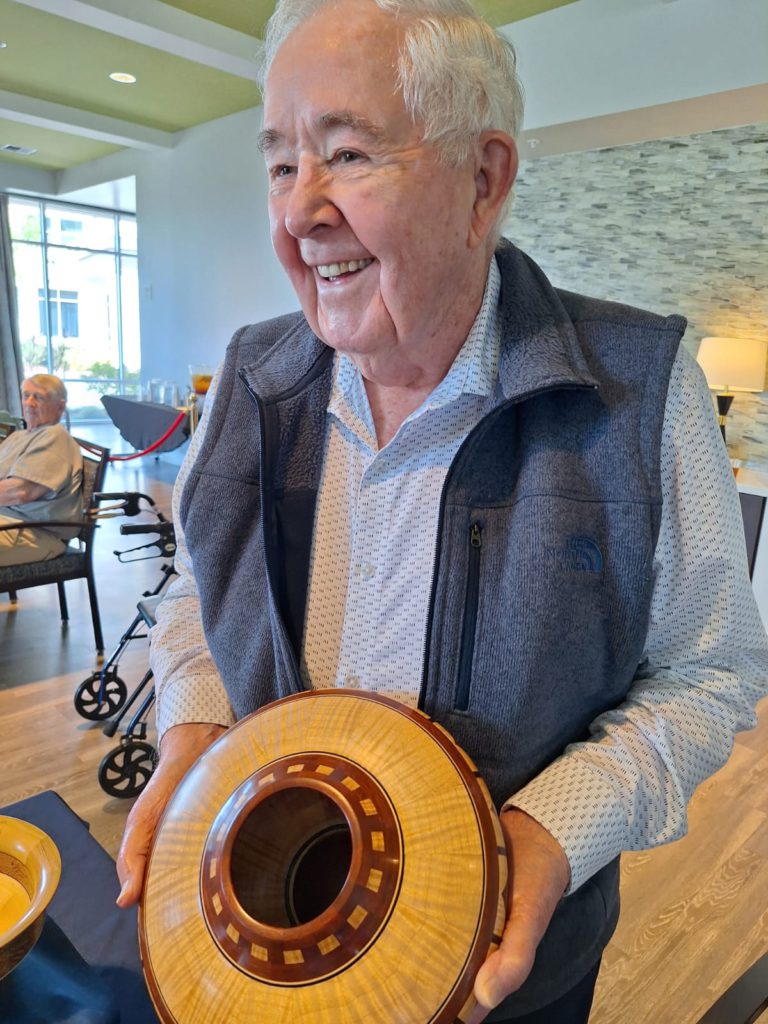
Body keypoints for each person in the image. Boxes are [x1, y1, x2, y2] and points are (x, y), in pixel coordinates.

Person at [116, 1, 768, 1021]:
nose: (299, 211)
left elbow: (708, 671)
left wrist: (552, 828)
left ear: (483, 178)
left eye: (347, 154)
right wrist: (196, 726)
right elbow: (201, 591)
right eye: (282, 164)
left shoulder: (638, 391)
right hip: (266, 966)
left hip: (508, 984)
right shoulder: (248, 379)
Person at [0, 375, 83, 566]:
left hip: (33, 532)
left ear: (60, 406)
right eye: (26, 395)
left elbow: (19, 492)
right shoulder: (19, 436)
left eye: (39, 397)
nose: (29, 403)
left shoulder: (54, 436)